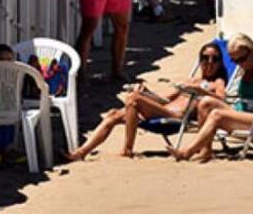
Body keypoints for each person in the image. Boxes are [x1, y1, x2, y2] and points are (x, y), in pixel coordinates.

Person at [63, 41, 229, 161]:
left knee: (133, 99)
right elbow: (165, 99)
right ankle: (81, 152)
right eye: (205, 58)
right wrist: (147, 93)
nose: (209, 63)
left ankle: (127, 150)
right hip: (162, 109)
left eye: (214, 59)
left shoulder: (217, 82)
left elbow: (222, 101)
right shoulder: (189, 80)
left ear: (220, 63)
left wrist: (203, 92)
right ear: (200, 60)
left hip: (176, 116)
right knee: (114, 114)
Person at [167, 34, 253, 163]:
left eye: (241, 59)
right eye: (235, 61)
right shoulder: (245, 67)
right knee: (206, 103)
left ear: (251, 51)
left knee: (217, 115)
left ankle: (186, 152)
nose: (239, 64)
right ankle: (206, 151)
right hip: (243, 114)